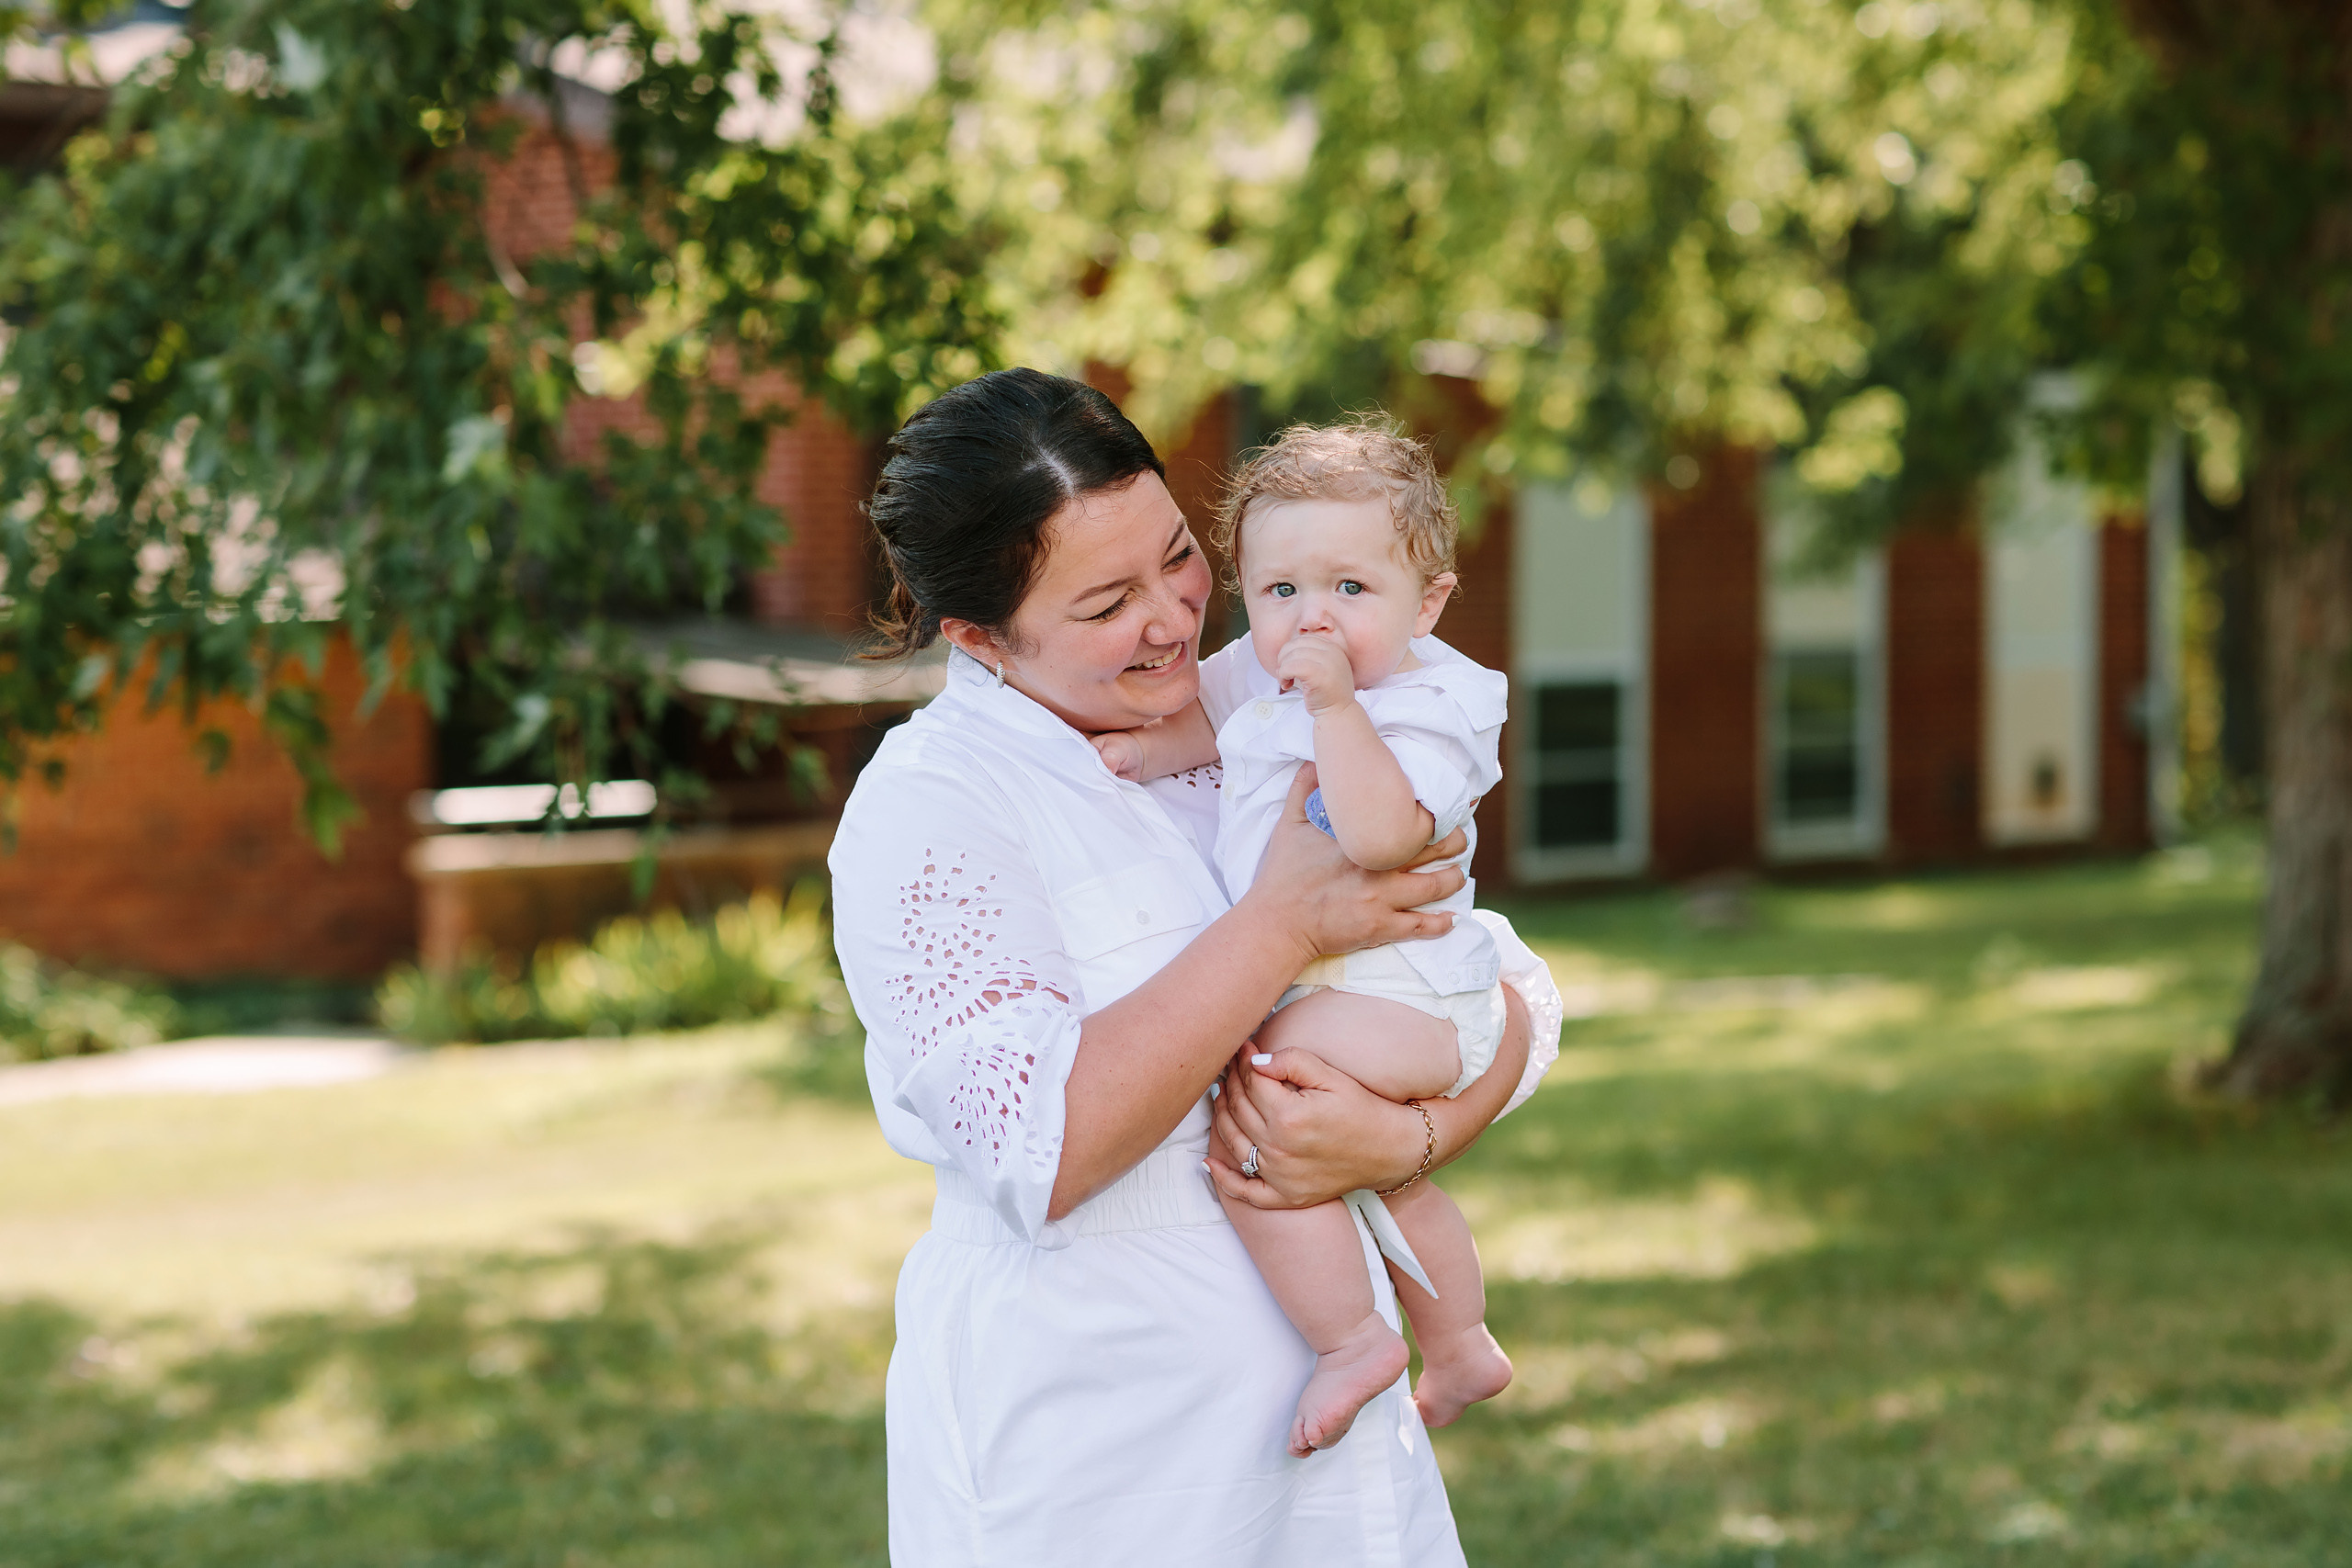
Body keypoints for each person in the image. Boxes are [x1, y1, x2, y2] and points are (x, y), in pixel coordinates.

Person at [828, 367, 1564, 1566]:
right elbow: (1042, 1146)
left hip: (1339, 1446)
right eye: (1108, 599)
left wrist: (1411, 1142)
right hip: (1111, 1459)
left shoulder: (1267, 708)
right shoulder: (932, 809)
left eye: (1177, 556)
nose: (1174, 615)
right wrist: (1278, 926)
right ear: (978, 636)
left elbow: (1503, 981)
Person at [1090, 417, 1514, 1460]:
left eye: (1349, 590)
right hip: (1355, 993)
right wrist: (1143, 754)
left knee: (1258, 1119)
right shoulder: (1270, 670)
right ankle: (1458, 1340)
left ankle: (1352, 1341)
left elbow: (1380, 835)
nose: (1309, 620)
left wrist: (1334, 709)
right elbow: (1217, 722)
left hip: (1411, 990)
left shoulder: (1428, 704)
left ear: (1431, 601)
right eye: (1279, 591)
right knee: (1385, 1176)